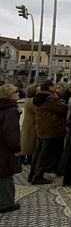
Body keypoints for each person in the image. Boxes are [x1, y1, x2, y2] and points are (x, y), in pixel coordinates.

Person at [30, 80, 67, 185]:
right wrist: (61, 101)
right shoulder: (50, 99)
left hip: (43, 128)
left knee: (38, 153)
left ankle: (32, 174)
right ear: (49, 87)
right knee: (45, 154)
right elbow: (63, 108)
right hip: (51, 129)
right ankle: (38, 176)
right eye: (55, 86)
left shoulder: (40, 97)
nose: (56, 87)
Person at [0, 84, 22, 213]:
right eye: (16, 92)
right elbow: (11, 132)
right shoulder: (11, 110)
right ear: (9, 94)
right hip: (5, 147)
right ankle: (7, 203)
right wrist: (16, 148)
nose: (18, 94)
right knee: (6, 174)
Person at [20, 84, 39, 165]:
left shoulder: (29, 99)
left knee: (26, 141)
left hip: (29, 123)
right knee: (30, 141)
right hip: (31, 123)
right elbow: (37, 111)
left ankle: (25, 157)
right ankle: (27, 158)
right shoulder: (32, 101)